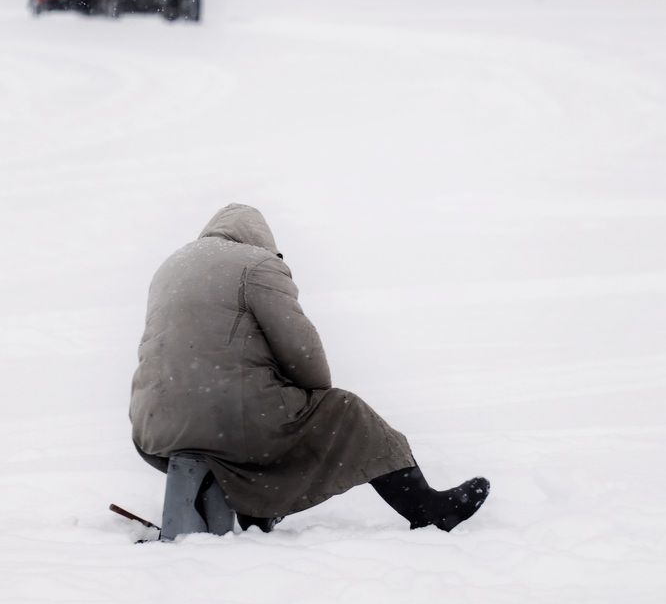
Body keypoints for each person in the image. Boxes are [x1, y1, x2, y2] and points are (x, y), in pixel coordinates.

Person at [130, 204, 490, 532]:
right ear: (262, 240)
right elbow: (303, 353)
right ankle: (427, 509)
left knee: (245, 414)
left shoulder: (170, 266)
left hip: (155, 429)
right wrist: (313, 389)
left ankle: (258, 512)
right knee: (347, 413)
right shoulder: (257, 264)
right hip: (225, 421)